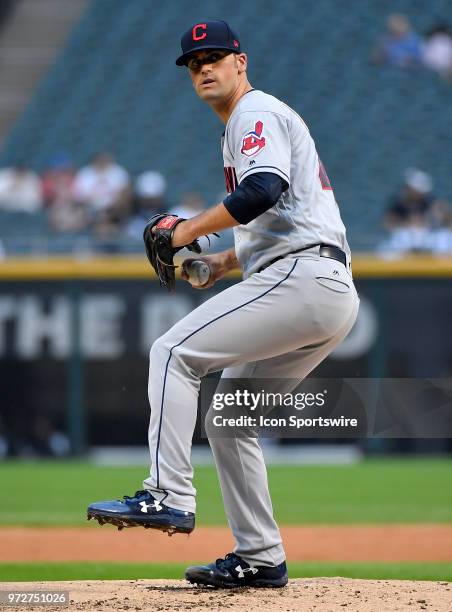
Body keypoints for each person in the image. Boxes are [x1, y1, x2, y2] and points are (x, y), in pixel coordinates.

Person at [88, 20, 359, 588]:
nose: (204, 67)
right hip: (321, 284)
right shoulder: (252, 122)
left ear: (242, 62)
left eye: (215, 56)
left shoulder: (254, 114)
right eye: (193, 63)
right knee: (232, 420)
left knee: (172, 352)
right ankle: (261, 557)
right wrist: (217, 263)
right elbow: (280, 219)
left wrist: (184, 232)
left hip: (304, 278)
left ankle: (167, 494)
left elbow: (261, 191)